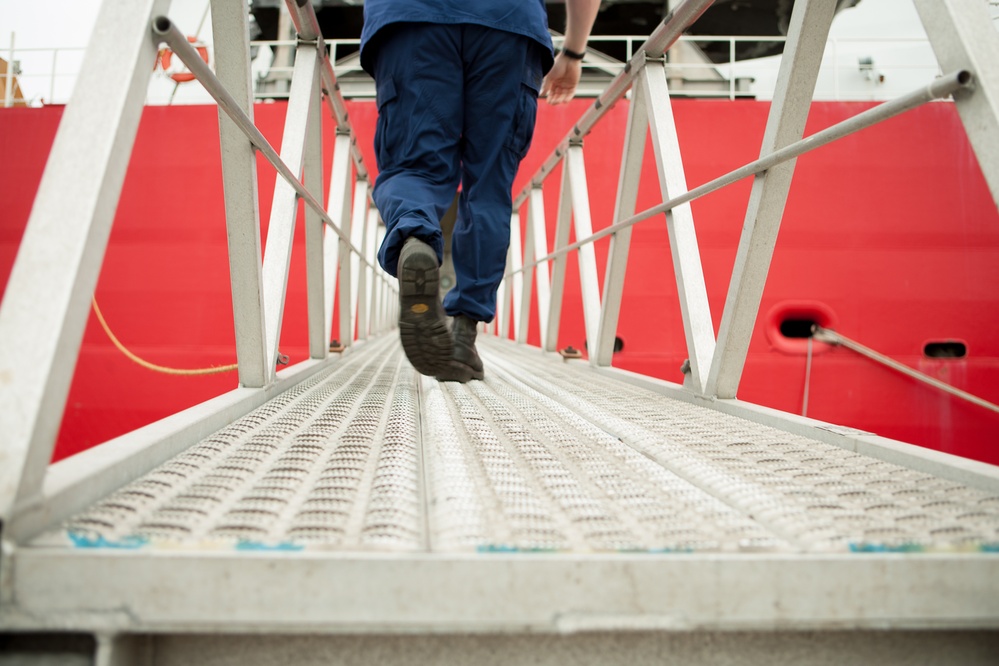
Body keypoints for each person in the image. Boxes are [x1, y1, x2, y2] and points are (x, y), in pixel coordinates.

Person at [359, 0, 600, 382]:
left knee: (412, 166)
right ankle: (462, 335)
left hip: (410, 19)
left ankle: (415, 234)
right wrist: (572, 51)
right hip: (509, 22)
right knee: (488, 184)